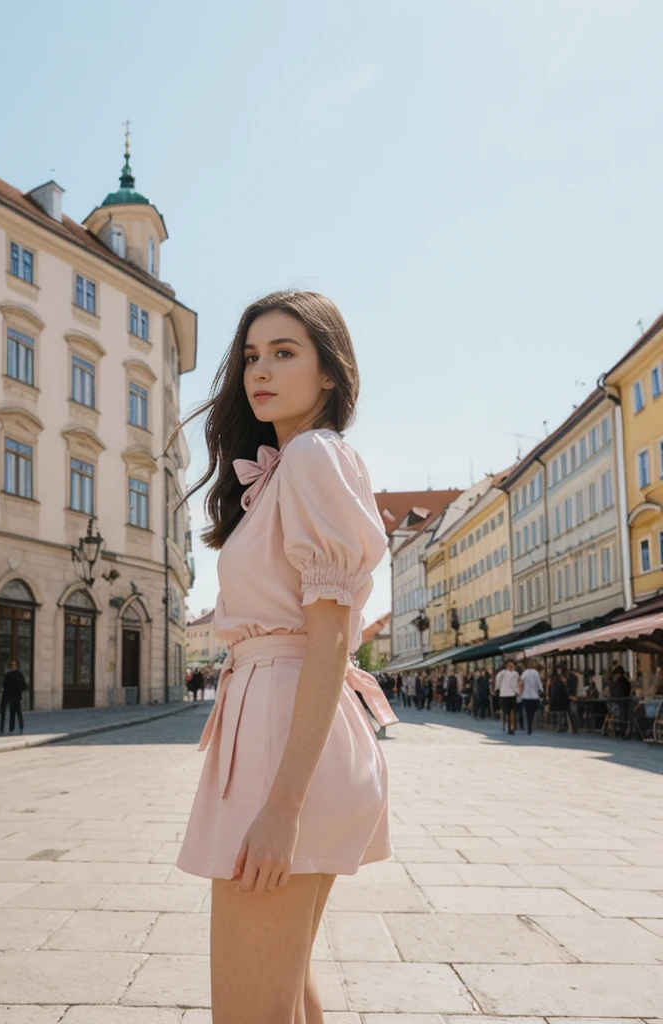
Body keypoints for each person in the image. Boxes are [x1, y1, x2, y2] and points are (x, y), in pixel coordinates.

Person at [173, 290, 399, 1023]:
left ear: (330, 373)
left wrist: (282, 809)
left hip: (284, 741)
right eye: (250, 357)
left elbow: (332, 636)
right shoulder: (288, 466)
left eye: (284, 352)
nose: (259, 371)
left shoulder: (311, 454)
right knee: (287, 1001)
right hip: (273, 725)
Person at [494, 658, 522, 735]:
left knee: (505, 710)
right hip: (511, 695)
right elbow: (514, 685)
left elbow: (497, 682)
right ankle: (511, 727)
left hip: (503, 694)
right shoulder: (515, 674)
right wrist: (517, 691)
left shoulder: (501, 673)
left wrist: (499, 688)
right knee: (512, 712)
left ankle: (504, 724)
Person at [0, 660, 27, 734]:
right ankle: (21, 727)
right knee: (18, 712)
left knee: (10, 712)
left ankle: (10, 728)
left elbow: (5, 686)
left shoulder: (7, 675)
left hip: (8, 695)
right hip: (17, 695)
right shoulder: (19, 674)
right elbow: (24, 686)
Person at [520, 659, 544, 735]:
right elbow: (538, 683)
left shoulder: (524, 673)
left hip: (526, 695)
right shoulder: (536, 673)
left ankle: (529, 725)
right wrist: (541, 690)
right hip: (534, 695)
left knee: (527, 712)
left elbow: (521, 682)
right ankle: (531, 723)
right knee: (533, 711)